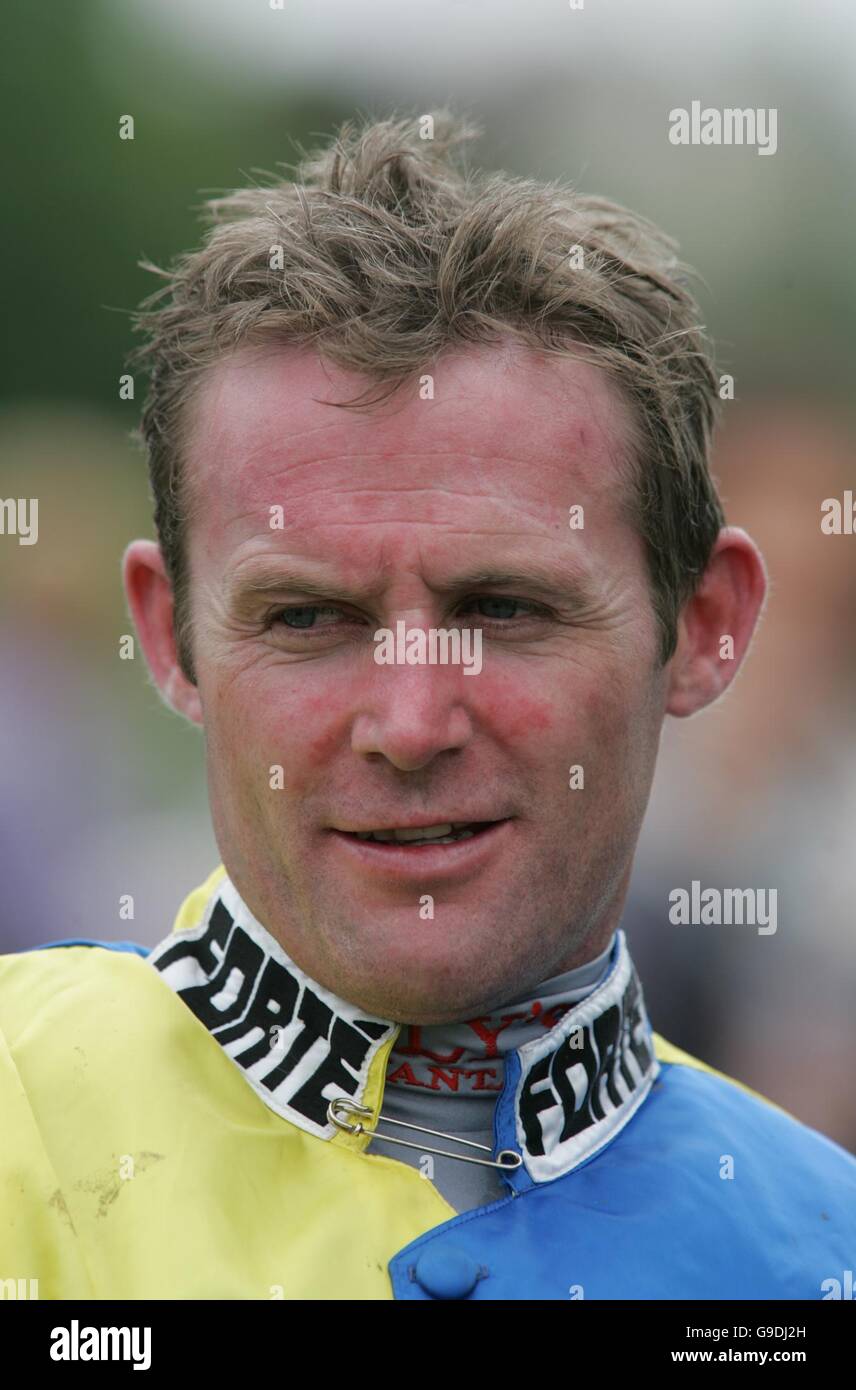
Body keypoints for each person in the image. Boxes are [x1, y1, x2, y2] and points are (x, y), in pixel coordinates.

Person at [1, 110, 853, 1302]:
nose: (408, 725)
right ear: (167, 633)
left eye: (503, 607)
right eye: (306, 619)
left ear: (704, 624)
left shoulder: (818, 1252)